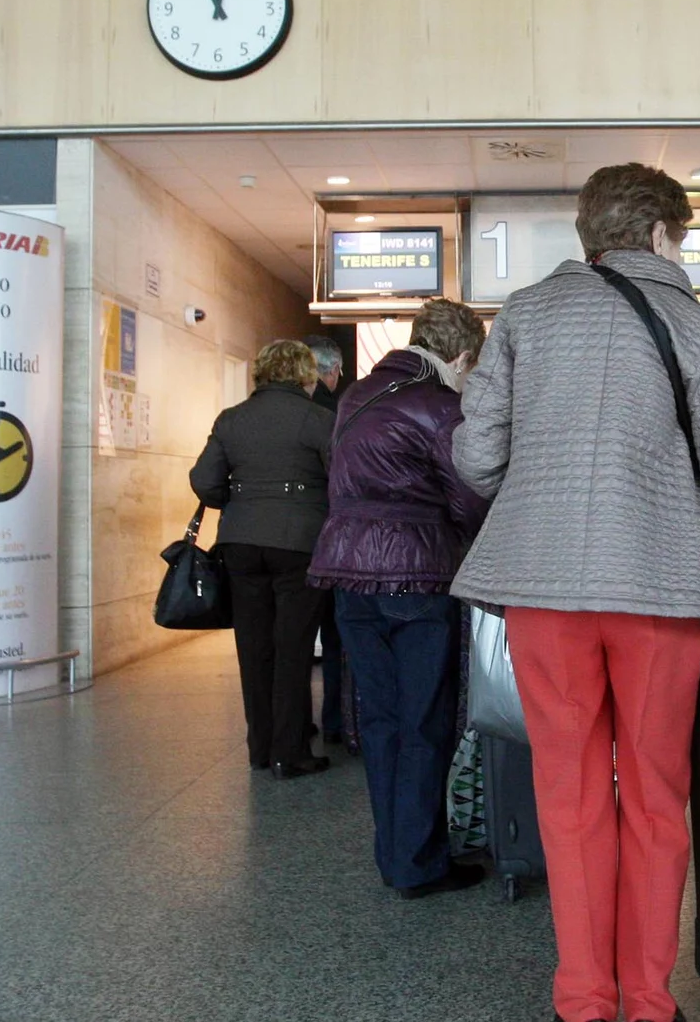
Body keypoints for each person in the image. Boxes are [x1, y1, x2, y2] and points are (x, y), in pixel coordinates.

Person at [452, 162, 700, 1022]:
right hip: (659, 588)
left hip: (543, 591)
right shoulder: (697, 327)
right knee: (654, 795)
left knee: (566, 796)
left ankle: (581, 998)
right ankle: (647, 997)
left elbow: (475, 459)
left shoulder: (525, 313)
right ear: (657, 235)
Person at [308, 301, 491, 897]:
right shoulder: (439, 405)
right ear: (461, 356)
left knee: (382, 722)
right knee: (425, 722)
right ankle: (421, 863)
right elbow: (468, 499)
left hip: (347, 576)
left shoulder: (355, 396)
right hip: (415, 576)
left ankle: (395, 854)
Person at [190, 339, 335, 780]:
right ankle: (290, 753)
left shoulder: (232, 419)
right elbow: (341, 479)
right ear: (305, 376)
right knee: (292, 647)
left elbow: (204, 481)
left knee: (253, 648)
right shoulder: (318, 419)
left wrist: (240, 500)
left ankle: (260, 746)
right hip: (298, 544)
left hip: (240, 541)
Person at [302, 334, 350, 746]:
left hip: (289, 545)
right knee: (336, 637)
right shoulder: (337, 414)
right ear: (333, 371)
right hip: (331, 538)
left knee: (293, 638)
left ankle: (294, 725)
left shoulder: (250, 414)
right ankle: (336, 720)